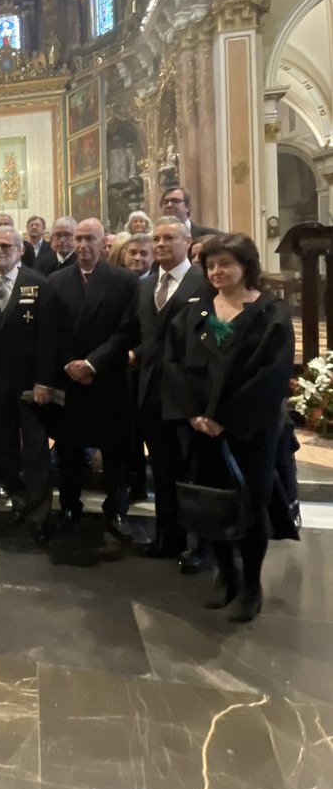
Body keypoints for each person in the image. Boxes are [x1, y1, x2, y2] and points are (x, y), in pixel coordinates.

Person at [164, 233, 296, 622]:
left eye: (226, 264)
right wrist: (194, 413)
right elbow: (176, 364)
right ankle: (227, 575)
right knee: (212, 503)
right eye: (211, 265)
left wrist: (227, 419)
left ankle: (252, 584)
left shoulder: (269, 313)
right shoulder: (200, 313)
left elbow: (270, 375)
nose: (217, 272)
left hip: (248, 429)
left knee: (249, 504)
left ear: (246, 265)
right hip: (203, 426)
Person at [34, 218, 139, 540]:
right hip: (69, 379)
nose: (81, 245)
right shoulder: (56, 280)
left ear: (103, 243)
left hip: (106, 378)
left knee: (114, 450)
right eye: (77, 239)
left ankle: (116, 509)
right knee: (67, 449)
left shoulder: (124, 281)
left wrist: (92, 364)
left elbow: (128, 331)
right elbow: (49, 332)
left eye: (89, 239)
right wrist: (67, 364)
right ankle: (69, 506)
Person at [134, 217, 213, 561]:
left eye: (169, 238)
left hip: (190, 393)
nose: (161, 244)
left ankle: (202, 545)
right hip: (152, 390)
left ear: (187, 242)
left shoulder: (203, 282)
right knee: (163, 470)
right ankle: (169, 537)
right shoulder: (145, 284)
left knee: (194, 471)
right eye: (157, 239)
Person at [0, 227, 51, 532]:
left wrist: (43, 380)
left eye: (6, 246)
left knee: (35, 448)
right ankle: (19, 501)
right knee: (4, 447)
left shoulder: (38, 283)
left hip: (30, 383)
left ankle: (39, 512)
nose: (0, 250)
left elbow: (47, 338)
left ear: (20, 250)